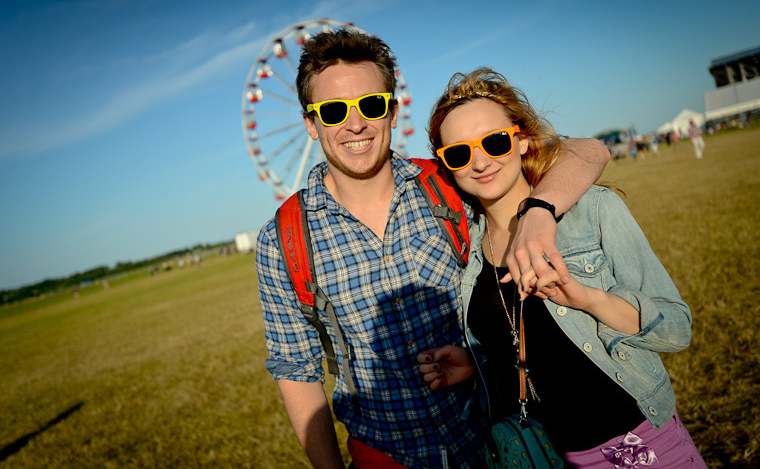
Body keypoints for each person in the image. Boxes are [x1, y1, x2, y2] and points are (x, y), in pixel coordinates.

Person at [255, 30, 610, 468]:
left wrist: (538, 212)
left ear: (392, 109)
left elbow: (587, 151)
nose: (355, 125)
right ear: (311, 123)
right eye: (332, 111)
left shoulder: (449, 182)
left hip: (496, 443)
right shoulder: (285, 239)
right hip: (387, 457)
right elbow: (297, 371)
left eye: (371, 105)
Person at [418, 68, 706, 467]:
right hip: (542, 457)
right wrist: (479, 362)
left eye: (495, 142)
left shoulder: (594, 210)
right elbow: (529, 345)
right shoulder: (467, 257)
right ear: (447, 164)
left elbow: (676, 329)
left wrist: (588, 299)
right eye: (460, 153)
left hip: (636, 448)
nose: (480, 162)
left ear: (522, 140)